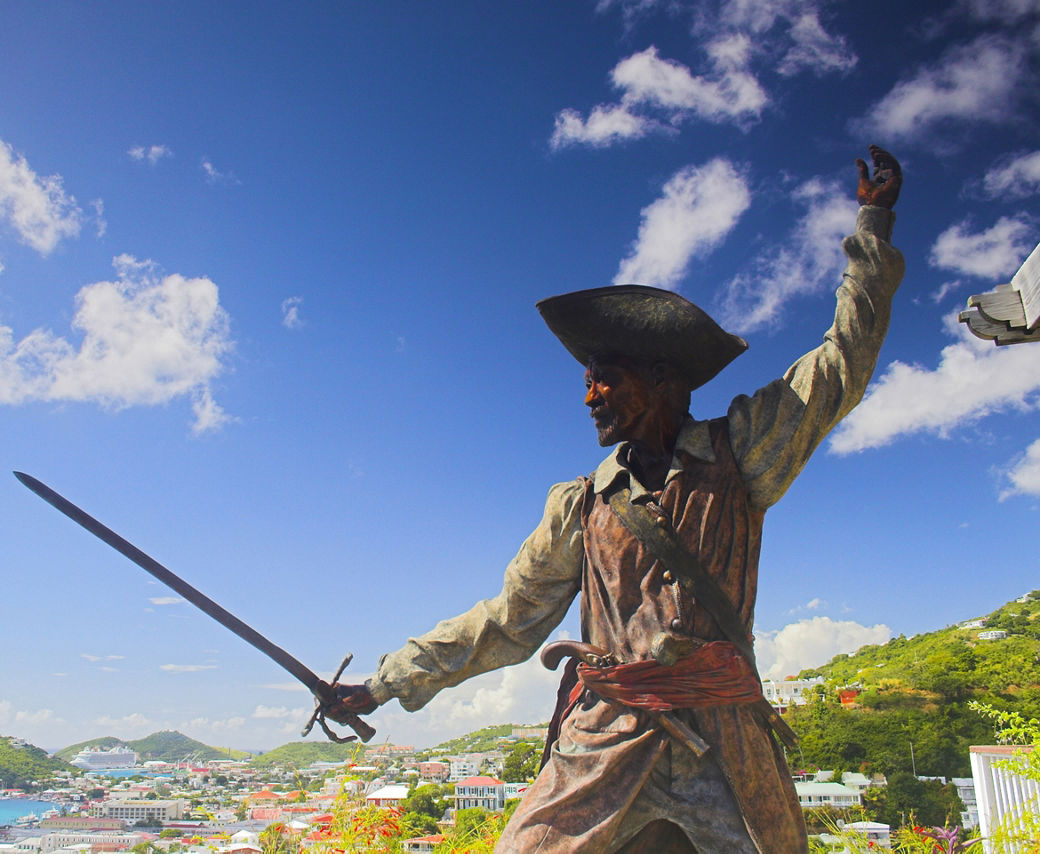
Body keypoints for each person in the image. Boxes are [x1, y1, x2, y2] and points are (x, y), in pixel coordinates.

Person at [331, 146, 904, 853]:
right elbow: (507, 622)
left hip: (725, 746)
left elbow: (840, 364)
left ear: (661, 378)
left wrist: (872, 229)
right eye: (587, 379)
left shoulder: (743, 453)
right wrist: (384, 683)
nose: (588, 395)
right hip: (604, 741)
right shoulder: (580, 506)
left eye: (606, 377)